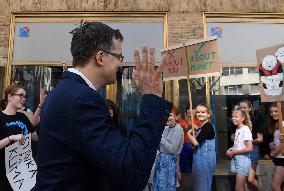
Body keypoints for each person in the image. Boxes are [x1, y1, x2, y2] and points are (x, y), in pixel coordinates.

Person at [35, 21, 172, 191]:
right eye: (118, 57)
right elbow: (132, 171)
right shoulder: (82, 99)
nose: (120, 65)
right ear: (100, 57)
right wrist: (151, 97)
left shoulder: (65, 91)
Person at [0, 84, 34, 191]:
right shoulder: (1, 118)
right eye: (20, 95)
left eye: (25, 96)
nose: (23, 99)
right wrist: (11, 138)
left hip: (23, 171)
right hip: (4, 173)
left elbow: (34, 137)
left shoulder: (23, 117)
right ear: (10, 96)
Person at [151, 107, 184, 191]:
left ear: (176, 117)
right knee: (158, 186)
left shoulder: (178, 129)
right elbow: (160, 146)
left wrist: (160, 136)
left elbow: (172, 149)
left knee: (165, 187)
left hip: (169, 163)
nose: (167, 118)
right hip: (161, 161)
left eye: (170, 115)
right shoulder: (167, 128)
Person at [187, 104, 216, 191]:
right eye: (198, 112)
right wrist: (195, 128)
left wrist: (188, 134)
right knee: (199, 184)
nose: (200, 114)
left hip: (205, 160)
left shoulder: (208, 126)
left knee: (202, 185)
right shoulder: (203, 126)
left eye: (203, 112)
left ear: (208, 114)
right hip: (200, 159)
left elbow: (195, 143)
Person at [226, 109, 253, 191]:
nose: (233, 118)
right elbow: (239, 146)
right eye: (232, 116)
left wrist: (233, 152)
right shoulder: (238, 129)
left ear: (242, 118)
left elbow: (249, 148)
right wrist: (230, 150)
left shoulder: (245, 129)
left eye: (236, 116)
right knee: (243, 187)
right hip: (237, 159)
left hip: (243, 161)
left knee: (238, 188)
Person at [238, 100, 262, 191]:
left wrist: (248, 141)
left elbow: (260, 139)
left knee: (250, 179)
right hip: (241, 151)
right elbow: (233, 137)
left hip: (253, 150)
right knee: (243, 183)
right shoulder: (237, 121)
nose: (242, 109)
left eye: (245, 107)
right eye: (240, 108)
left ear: (250, 108)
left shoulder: (255, 121)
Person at [178, 105, 200, 191]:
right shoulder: (182, 122)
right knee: (183, 169)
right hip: (184, 147)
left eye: (192, 110)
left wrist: (193, 124)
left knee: (196, 168)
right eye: (188, 110)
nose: (190, 112)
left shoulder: (199, 121)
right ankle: (181, 188)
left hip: (195, 147)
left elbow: (201, 131)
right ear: (186, 112)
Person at [267, 103, 284, 191]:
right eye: (271, 112)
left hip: (282, 158)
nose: (273, 113)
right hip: (279, 158)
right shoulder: (278, 124)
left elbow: (283, 144)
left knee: (275, 185)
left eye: (276, 111)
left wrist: (272, 154)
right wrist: (273, 143)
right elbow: (280, 141)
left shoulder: (283, 124)